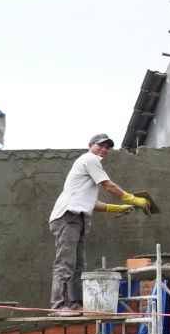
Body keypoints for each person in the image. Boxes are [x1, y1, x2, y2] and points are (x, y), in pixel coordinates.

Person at [48, 133, 150, 316]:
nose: (104, 150)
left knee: (78, 264)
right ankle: (57, 306)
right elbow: (109, 186)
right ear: (90, 145)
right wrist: (133, 199)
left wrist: (116, 208)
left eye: (107, 147)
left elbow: (91, 203)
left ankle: (74, 305)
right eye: (100, 145)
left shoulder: (89, 170)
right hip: (67, 216)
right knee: (65, 263)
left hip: (76, 217)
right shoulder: (89, 159)